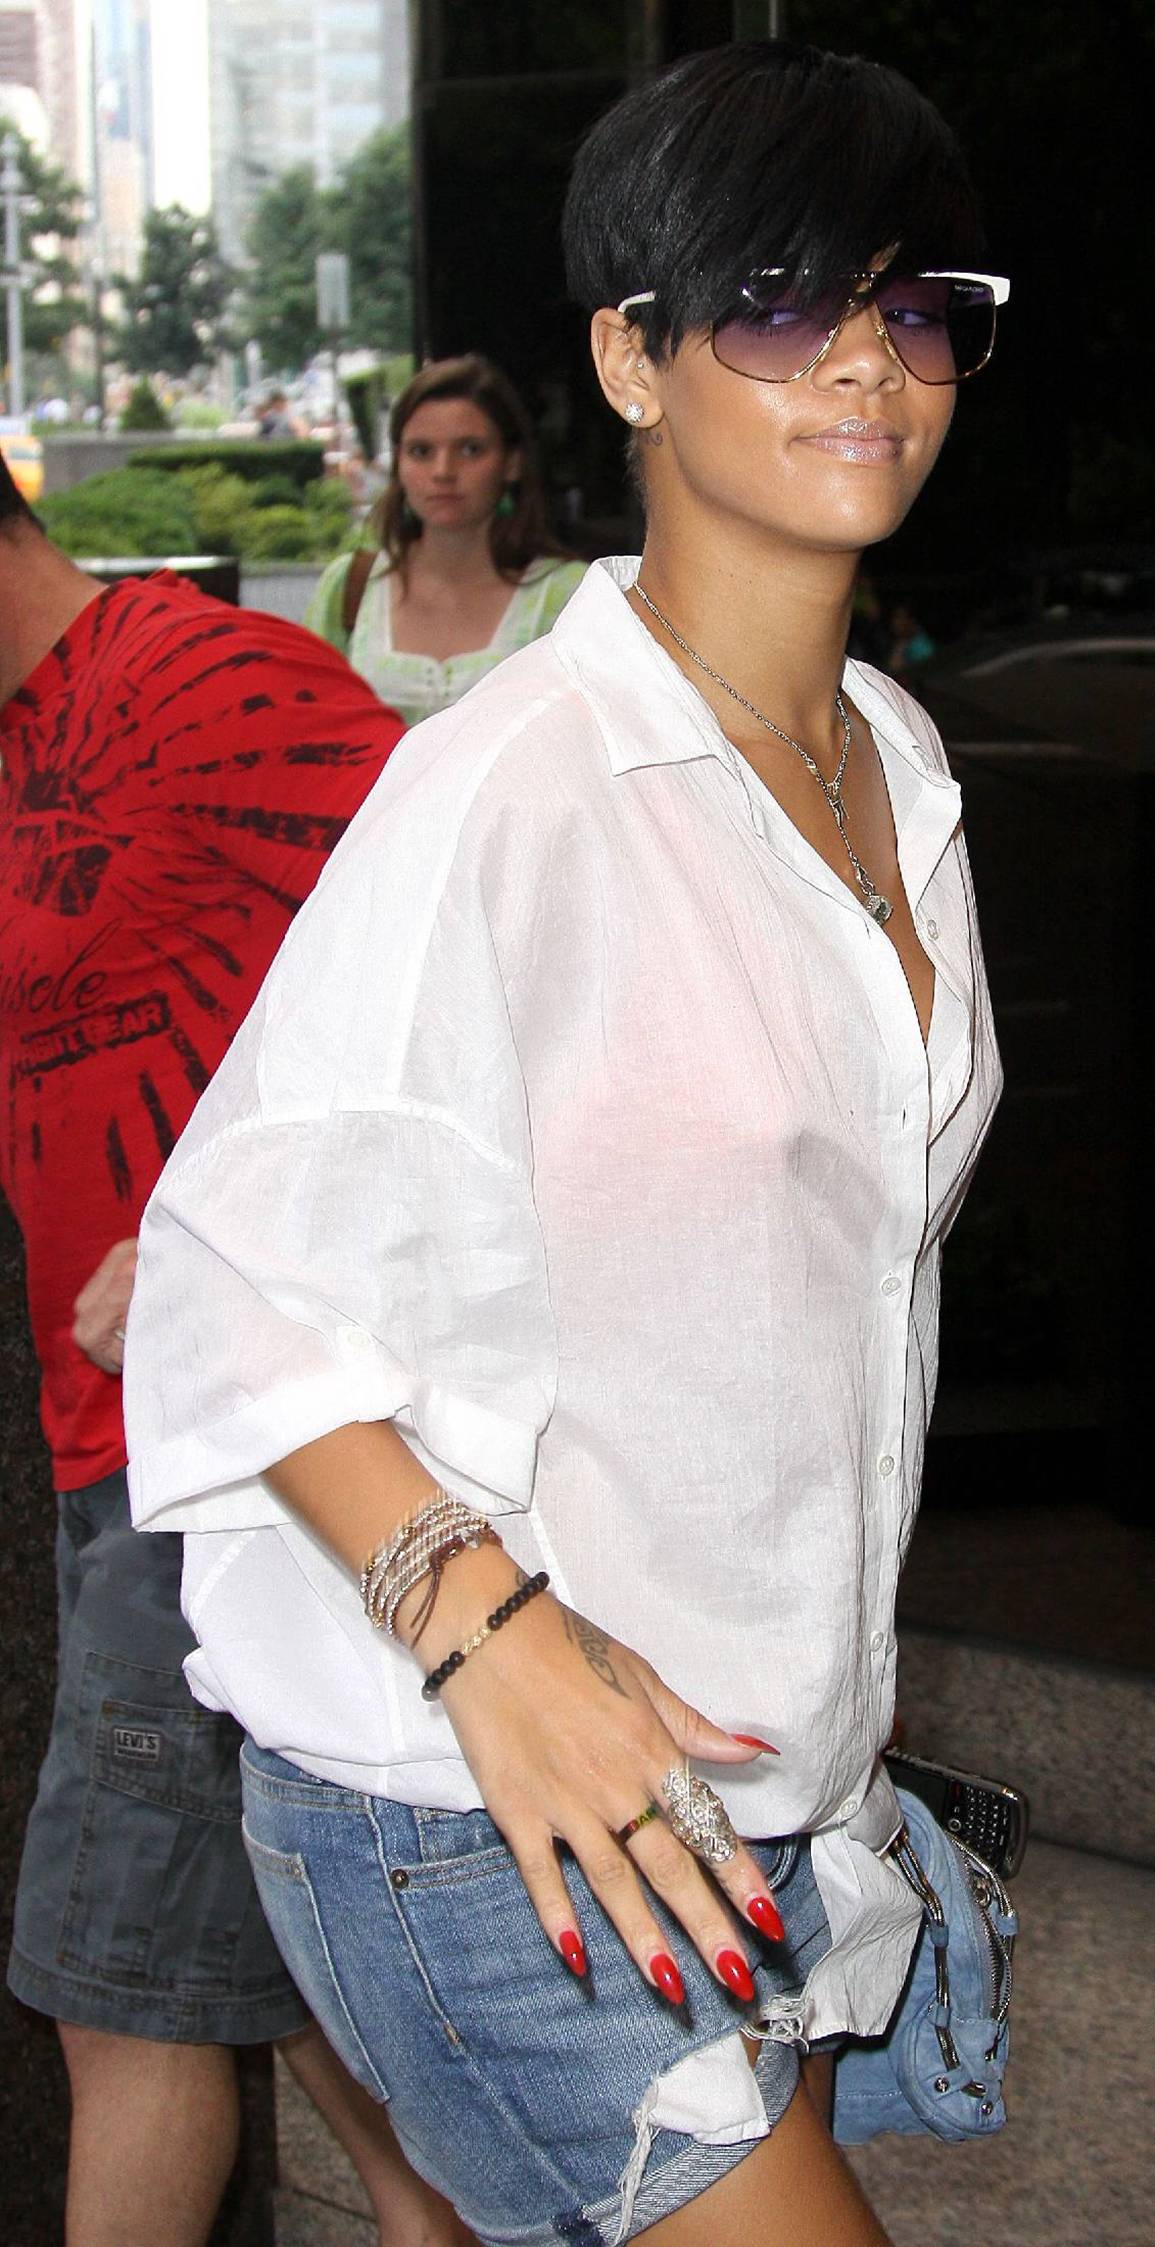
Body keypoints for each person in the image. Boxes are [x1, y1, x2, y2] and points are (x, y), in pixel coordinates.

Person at [125, 39, 1008, 2247]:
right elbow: (234, 1277)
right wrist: (494, 1640)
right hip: (494, 1797)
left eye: (917, 310)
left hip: (765, 1769)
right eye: (782, 306)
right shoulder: (514, 784)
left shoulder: (899, 765)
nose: (869, 366)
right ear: (629, 358)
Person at [0, 461, 473, 2247]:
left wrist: (237, 1224)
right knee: (304, 1991)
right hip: (112, 1444)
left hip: (225, 1451)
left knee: (120, 1991)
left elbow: (465, 951)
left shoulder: (205, 678)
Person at [303, 355, 586, 726]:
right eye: (421, 451)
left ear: (512, 462)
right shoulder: (349, 587)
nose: (443, 471)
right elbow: (308, 725)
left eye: (470, 449)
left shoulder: (571, 594)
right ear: (398, 463)